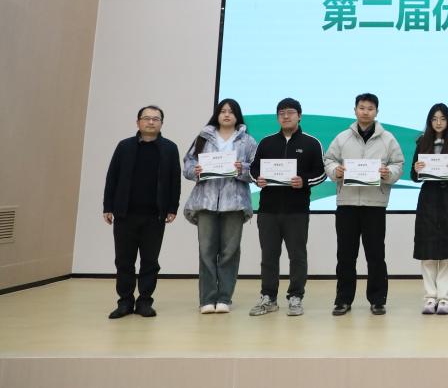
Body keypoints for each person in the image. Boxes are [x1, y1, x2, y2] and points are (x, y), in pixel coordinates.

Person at [323, 93, 405, 316]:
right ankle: (343, 300)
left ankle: (378, 300)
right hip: (347, 203)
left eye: (370, 108)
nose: (365, 112)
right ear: (355, 110)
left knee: (376, 255)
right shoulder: (342, 138)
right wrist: (336, 171)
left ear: (376, 112)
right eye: (362, 107)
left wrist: (388, 173)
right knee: (345, 255)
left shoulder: (388, 139)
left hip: (375, 204)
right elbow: (329, 160)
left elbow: (398, 164)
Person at [248, 97, 326, 317]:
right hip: (268, 210)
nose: (285, 116)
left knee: (297, 256)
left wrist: (304, 181)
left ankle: (295, 296)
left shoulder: (311, 143)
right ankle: (268, 297)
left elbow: (321, 173)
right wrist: (257, 179)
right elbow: (254, 169)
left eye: (290, 112)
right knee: (268, 256)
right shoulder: (266, 142)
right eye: (281, 113)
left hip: (297, 211)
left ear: (299, 116)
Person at [102, 105, 181, 319]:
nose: (151, 122)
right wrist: (108, 206)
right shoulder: (124, 146)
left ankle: (145, 301)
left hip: (155, 216)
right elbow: (112, 177)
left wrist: (172, 208)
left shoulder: (170, 148)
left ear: (161, 123)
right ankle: (125, 302)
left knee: (150, 262)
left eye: (156, 119)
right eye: (146, 118)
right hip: (125, 214)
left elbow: (175, 181)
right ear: (138, 122)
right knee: (124, 261)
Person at [181, 98, 258, 313]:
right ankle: (207, 299)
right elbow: (187, 164)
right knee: (206, 251)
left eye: (231, 111)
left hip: (235, 204)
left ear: (237, 116)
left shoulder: (248, 141)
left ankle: (224, 298)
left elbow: (256, 170)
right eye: (222, 111)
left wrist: (242, 168)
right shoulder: (203, 137)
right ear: (217, 114)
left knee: (229, 252)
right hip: (205, 202)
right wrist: (195, 170)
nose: (226, 115)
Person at [410, 103, 448, 315]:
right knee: (427, 251)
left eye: (443, 119)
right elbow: (414, 175)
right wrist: (416, 169)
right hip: (428, 198)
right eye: (435, 118)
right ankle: (430, 297)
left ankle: (444, 298)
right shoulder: (422, 141)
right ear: (430, 121)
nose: (438, 122)